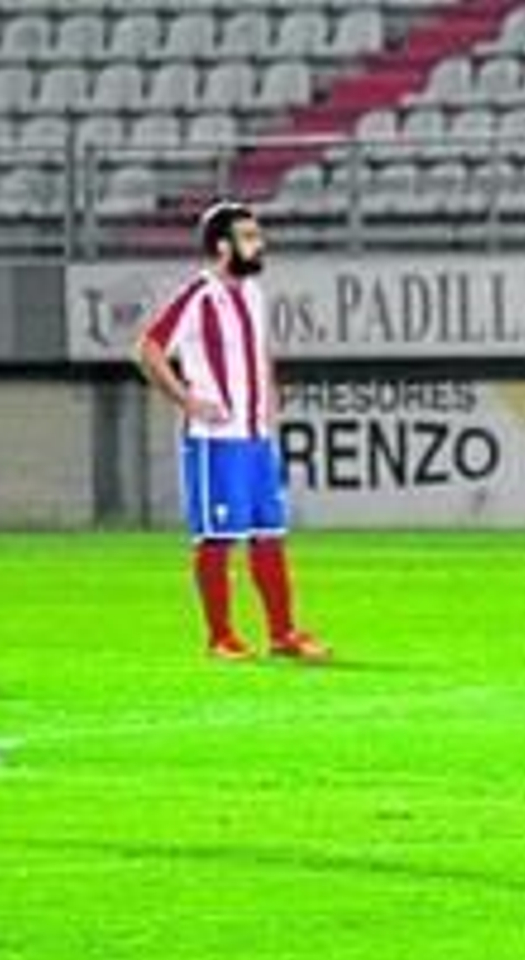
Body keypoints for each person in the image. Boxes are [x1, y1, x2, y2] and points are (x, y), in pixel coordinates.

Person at [135, 201, 330, 663]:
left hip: (255, 436)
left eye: (257, 236)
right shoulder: (198, 295)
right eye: (249, 237)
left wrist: (269, 397)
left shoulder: (253, 292)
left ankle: (283, 634)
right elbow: (147, 348)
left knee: (269, 532)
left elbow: (260, 350)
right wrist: (187, 398)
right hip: (213, 440)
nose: (258, 244)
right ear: (223, 246)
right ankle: (220, 636)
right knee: (217, 537)